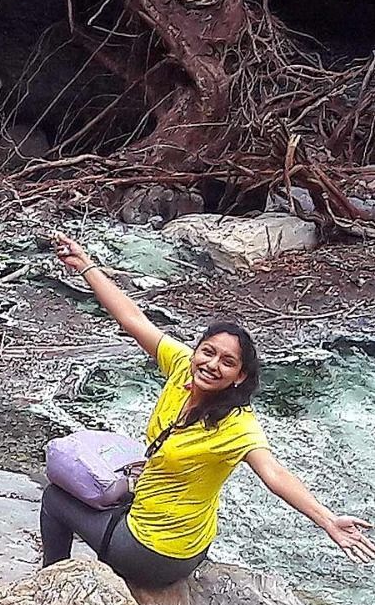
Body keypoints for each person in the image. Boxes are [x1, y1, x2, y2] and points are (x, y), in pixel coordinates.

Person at [42, 234, 375, 585]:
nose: (213, 364)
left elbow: (275, 475)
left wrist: (327, 520)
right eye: (208, 352)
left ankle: (48, 586)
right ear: (197, 350)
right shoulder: (182, 366)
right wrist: (86, 265)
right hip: (185, 537)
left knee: (54, 499)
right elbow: (132, 318)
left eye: (228, 362)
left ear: (240, 376)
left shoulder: (238, 426)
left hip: (155, 552)